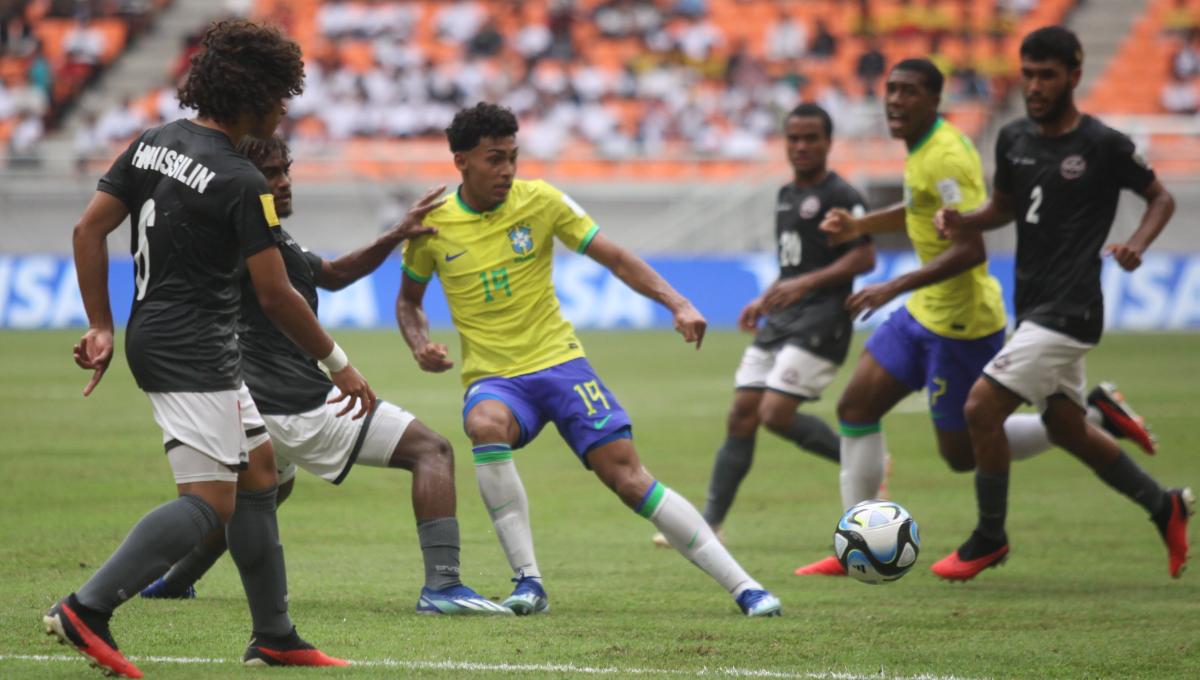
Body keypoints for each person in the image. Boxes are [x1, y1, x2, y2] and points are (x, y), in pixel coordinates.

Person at [44, 20, 364, 677]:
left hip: (160, 334)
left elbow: (87, 230)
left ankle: (274, 634)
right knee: (209, 502)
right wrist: (341, 366)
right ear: (256, 95)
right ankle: (88, 607)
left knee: (259, 472)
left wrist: (100, 324)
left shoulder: (154, 143)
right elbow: (277, 296)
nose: (285, 108)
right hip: (195, 349)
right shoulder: (243, 180)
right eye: (282, 94)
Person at [397, 102, 781, 617]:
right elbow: (408, 301)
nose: (507, 170)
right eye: (494, 159)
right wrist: (419, 342)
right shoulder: (433, 226)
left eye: (513, 157)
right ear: (461, 160)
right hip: (496, 379)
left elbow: (615, 257)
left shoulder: (541, 201)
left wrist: (679, 302)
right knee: (483, 423)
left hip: (561, 364)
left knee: (627, 477)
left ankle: (745, 587)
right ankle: (528, 582)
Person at [799, 58, 1157, 578]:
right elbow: (916, 209)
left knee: (963, 455)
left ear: (934, 100)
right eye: (890, 90)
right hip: (924, 311)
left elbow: (970, 250)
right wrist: (858, 225)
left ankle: (1091, 419)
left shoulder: (946, 155)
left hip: (962, 322)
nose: (894, 101)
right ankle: (856, 539)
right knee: (855, 406)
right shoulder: (921, 149)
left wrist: (891, 286)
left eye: (907, 92)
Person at [138, 135, 511, 615]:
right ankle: (443, 586)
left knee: (260, 493)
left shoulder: (268, 236)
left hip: (253, 402)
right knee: (432, 450)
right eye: (271, 173)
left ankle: (175, 581)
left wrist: (395, 233)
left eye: (285, 171)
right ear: (246, 179)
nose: (283, 182)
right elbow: (277, 300)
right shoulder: (249, 237)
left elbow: (331, 274)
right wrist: (340, 366)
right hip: (295, 402)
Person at [931, 26, 1192, 581]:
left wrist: (1137, 246)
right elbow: (1003, 206)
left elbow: (1160, 197)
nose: (1035, 86)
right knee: (1069, 429)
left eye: (1047, 75)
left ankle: (988, 538)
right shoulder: (1014, 139)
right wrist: (964, 220)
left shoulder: (1103, 144)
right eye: (1027, 74)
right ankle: (1162, 504)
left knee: (981, 408)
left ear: (1074, 75)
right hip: (1033, 303)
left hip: (1071, 309)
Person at [651, 103, 876, 549]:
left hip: (823, 317)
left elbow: (864, 256)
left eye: (811, 138)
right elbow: (793, 265)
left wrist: (806, 284)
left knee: (775, 414)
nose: (801, 146)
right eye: (793, 138)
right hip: (786, 315)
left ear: (828, 143)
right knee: (742, 414)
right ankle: (710, 521)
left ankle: (865, 460)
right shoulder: (785, 195)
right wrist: (766, 296)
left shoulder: (841, 194)